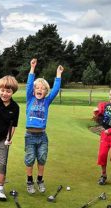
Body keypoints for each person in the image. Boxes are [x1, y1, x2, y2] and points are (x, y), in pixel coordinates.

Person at [25, 58, 63, 194]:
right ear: (34, 91)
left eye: (43, 88)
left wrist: (58, 75)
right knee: (30, 159)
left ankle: (40, 180)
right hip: (30, 136)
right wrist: (32, 68)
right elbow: (29, 84)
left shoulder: (46, 101)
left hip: (42, 136)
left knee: (41, 158)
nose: (39, 90)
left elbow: (56, 89)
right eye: (37, 88)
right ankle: (29, 181)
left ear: (46, 92)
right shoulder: (30, 99)